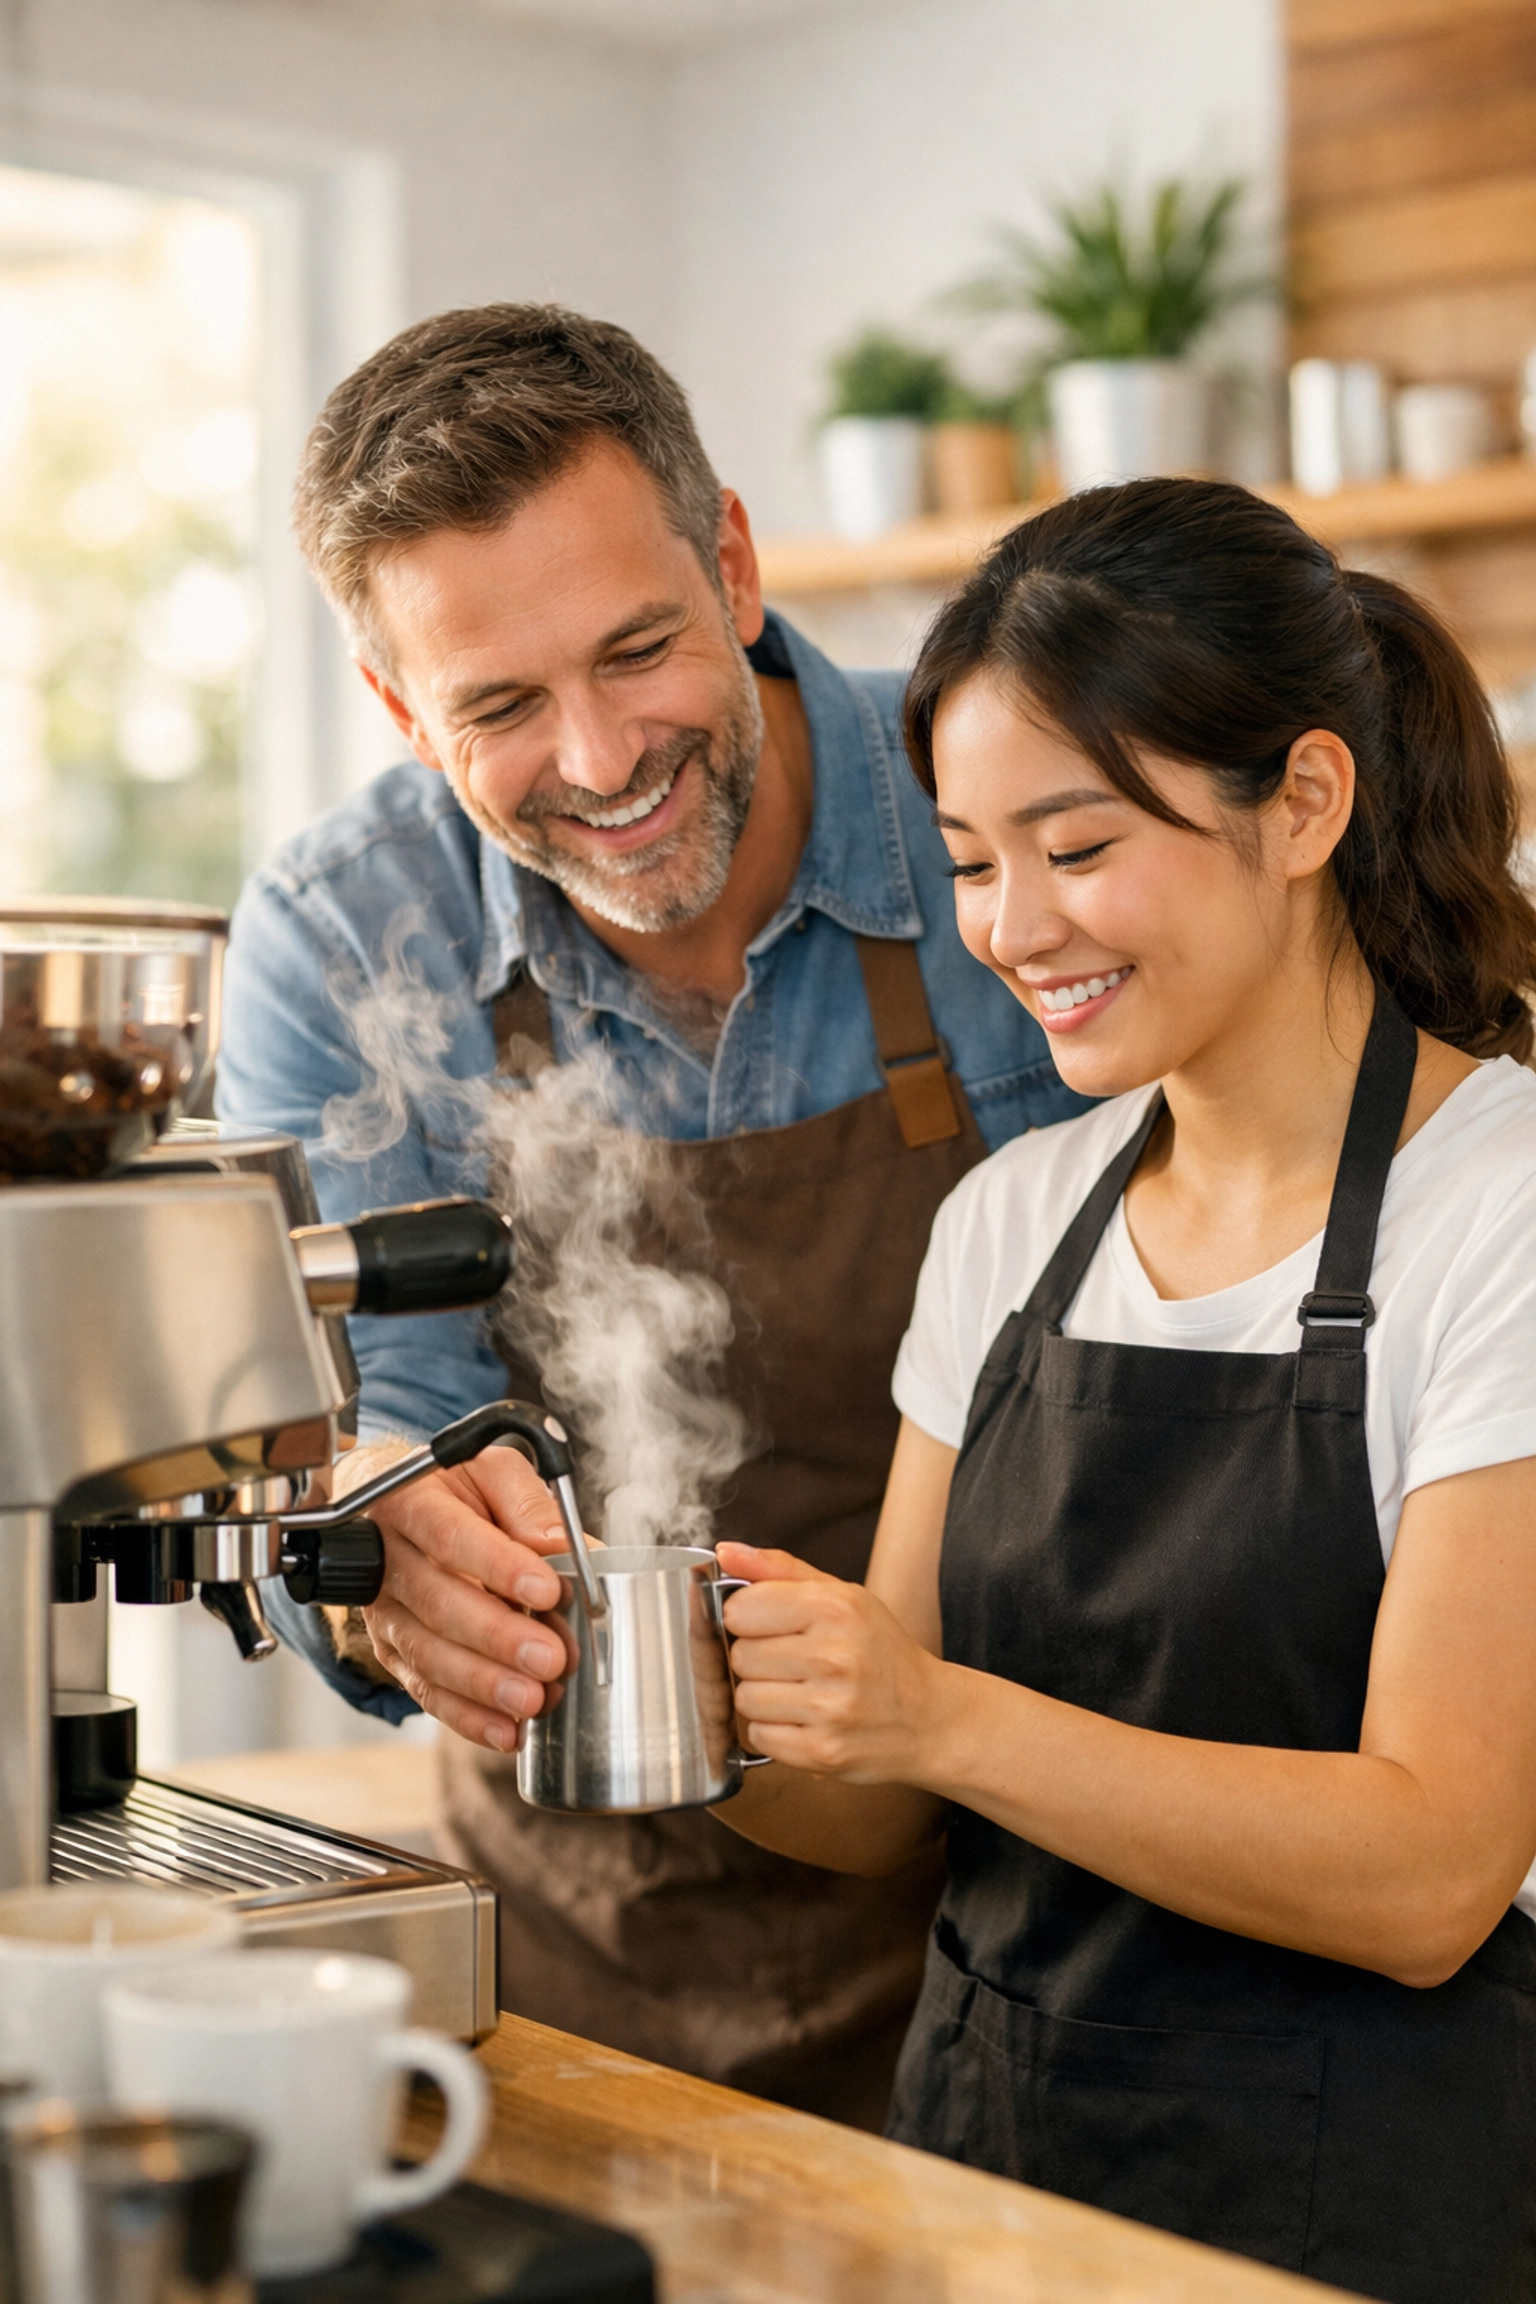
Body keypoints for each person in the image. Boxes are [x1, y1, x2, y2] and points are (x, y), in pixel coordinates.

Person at [216, 303, 1088, 2127]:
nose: (605, 757)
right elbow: (349, 1418)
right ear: (396, 706)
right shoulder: (340, 939)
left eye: (639, 649)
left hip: (1033, 1910)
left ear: (739, 564)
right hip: (580, 1943)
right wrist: (380, 1571)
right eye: (504, 707)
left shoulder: (1002, 813)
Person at [709, 476, 1536, 2303]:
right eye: (971, 858)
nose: (1012, 927)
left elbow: (1432, 1872)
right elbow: (872, 1810)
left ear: (1303, 801)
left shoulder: (1507, 1216)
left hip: (1367, 2224)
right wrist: (679, 1695)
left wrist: (937, 1719)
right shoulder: (1015, 1221)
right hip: (995, 2199)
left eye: (1076, 846)